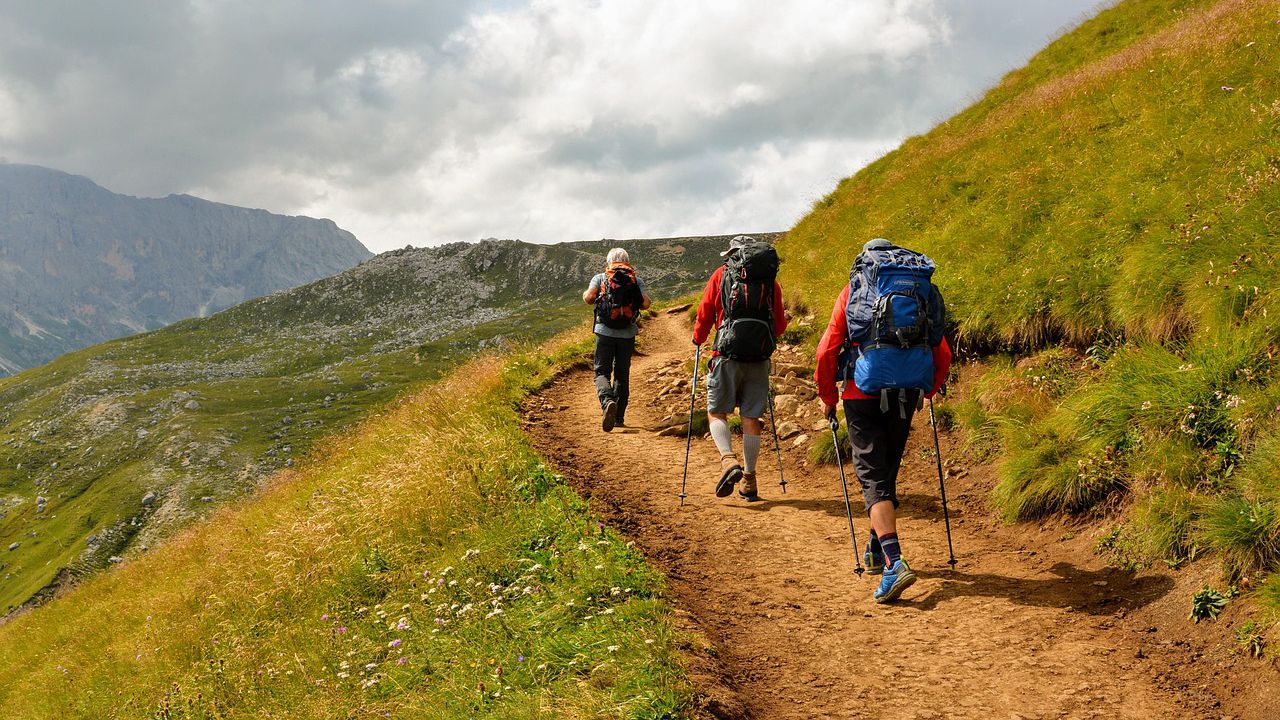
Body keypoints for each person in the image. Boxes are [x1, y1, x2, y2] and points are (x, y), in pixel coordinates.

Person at [814, 238, 952, 603]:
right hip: (907, 393)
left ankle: (893, 562)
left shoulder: (854, 290)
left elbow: (827, 348)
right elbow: (943, 350)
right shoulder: (919, 291)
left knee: (873, 478)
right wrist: (928, 389)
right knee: (887, 473)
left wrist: (828, 397)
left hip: (861, 394)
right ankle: (876, 550)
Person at [691, 235, 787, 501]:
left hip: (726, 353)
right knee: (751, 418)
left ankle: (728, 460)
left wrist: (698, 337)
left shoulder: (721, 275)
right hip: (758, 357)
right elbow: (778, 326)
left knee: (716, 411)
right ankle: (750, 479)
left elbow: (705, 312)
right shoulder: (770, 282)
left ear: (733, 254)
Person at [584, 248, 652, 432]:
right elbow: (646, 304)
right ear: (626, 261)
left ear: (609, 262)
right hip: (627, 334)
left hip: (604, 332)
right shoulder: (636, 280)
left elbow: (589, 298)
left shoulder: (600, 278)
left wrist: (595, 295)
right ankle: (619, 417)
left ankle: (607, 401)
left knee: (601, 372)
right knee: (622, 374)